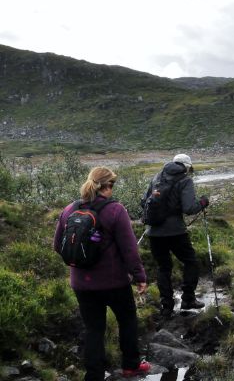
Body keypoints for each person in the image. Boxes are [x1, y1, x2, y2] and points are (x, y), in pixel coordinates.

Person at [53, 167, 150, 380]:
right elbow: (129, 250)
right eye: (112, 185)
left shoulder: (69, 209)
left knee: (93, 329)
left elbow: (58, 246)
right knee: (127, 320)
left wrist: (82, 264)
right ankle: (131, 366)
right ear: (108, 185)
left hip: (81, 285)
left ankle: (94, 376)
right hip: (114, 283)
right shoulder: (116, 210)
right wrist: (140, 277)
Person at [143, 153, 209, 318]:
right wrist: (202, 202)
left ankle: (166, 307)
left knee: (163, 267)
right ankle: (188, 299)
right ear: (187, 166)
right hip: (176, 232)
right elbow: (189, 208)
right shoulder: (185, 180)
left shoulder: (157, 177)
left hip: (154, 232)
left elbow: (144, 202)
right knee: (191, 262)